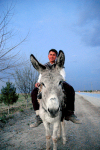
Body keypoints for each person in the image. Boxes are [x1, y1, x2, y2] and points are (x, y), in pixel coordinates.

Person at [30, 49, 81, 128]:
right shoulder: (44, 67)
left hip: (57, 82)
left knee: (70, 89)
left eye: (54, 55)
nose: (52, 56)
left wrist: (58, 81)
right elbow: (41, 77)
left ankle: (70, 113)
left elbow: (63, 76)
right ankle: (38, 116)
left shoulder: (59, 65)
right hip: (47, 83)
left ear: (56, 57)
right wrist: (38, 82)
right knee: (33, 92)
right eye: (50, 54)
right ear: (48, 56)